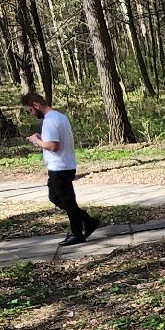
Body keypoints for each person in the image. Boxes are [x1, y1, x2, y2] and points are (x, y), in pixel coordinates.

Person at [20, 92, 100, 246]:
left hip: (59, 167)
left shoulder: (49, 121)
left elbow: (53, 146)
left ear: (36, 105)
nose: (31, 114)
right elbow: (56, 141)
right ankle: (84, 225)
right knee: (64, 199)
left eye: (30, 110)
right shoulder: (60, 117)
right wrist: (41, 138)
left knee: (61, 199)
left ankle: (82, 228)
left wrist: (36, 140)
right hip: (66, 164)